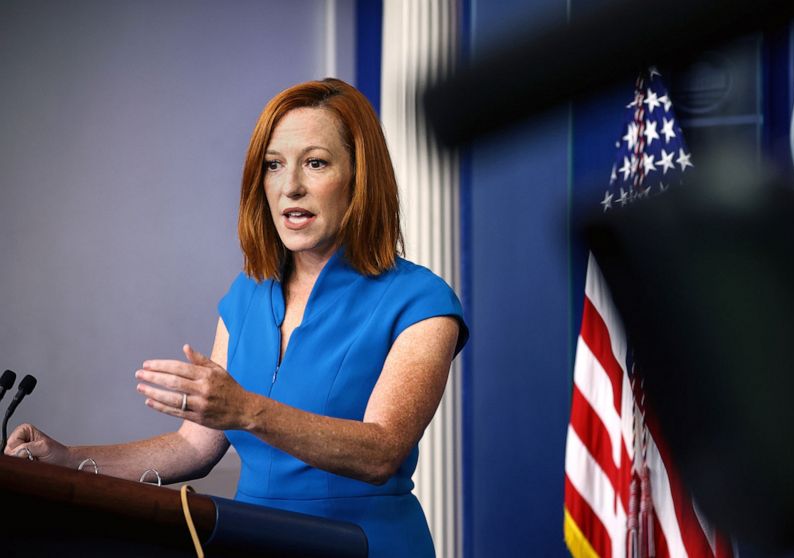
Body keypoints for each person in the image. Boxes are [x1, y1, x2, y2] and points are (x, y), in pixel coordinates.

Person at [3, 78, 468, 557]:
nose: (291, 187)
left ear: (359, 178)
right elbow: (195, 447)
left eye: (315, 163)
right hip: (253, 541)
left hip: (369, 545)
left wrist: (246, 409)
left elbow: (381, 453)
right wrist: (65, 460)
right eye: (273, 166)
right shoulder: (246, 294)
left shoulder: (422, 301)